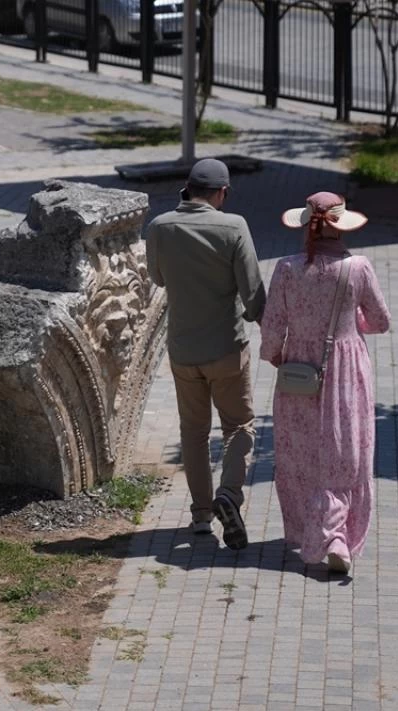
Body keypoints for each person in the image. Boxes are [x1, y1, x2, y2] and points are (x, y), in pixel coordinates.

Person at [259, 192, 390, 575]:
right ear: (340, 225)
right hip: (347, 370)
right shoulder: (359, 268)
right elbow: (380, 321)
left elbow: (272, 329)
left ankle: (314, 532)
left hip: (299, 370)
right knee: (345, 452)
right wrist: (352, 328)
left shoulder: (286, 268)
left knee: (301, 452)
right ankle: (337, 537)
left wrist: (277, 355)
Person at [145, 159, 266, 548]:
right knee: (239, 426)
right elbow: (252, 292)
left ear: (186, 188)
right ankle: (228, 495)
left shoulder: (160, 227)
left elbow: (157, 277)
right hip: (227, 347)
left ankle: (200, 516)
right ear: (222, 193)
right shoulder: (234, 227)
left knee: (193, 433)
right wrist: (261, 320)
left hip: (183, 351)